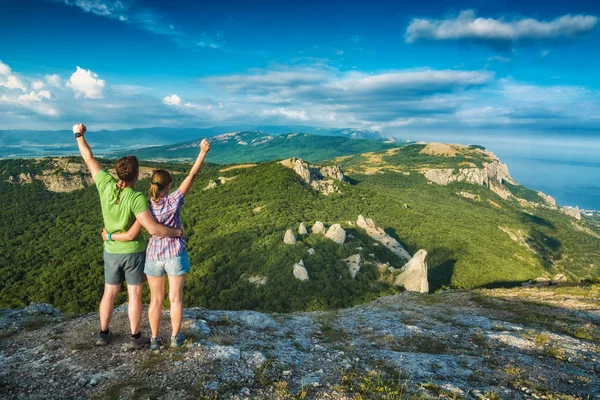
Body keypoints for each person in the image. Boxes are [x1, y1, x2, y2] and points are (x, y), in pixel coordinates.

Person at [73, 123, 184, 349]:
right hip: (133, 252)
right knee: (134, 294)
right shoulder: (136, 199)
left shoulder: (105, 184)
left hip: (111, 252)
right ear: (136, 176)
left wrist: (78, 135)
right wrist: (177, 232)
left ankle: (103, 333)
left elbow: (88, 158)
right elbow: (153, 229)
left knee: (109, 292)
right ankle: (135, 337)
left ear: (117, 172)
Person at [103, 139, 211, 350]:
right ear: (168, 186)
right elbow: (192, 175)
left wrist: (110, 237)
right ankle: (175, 336)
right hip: (175, 253)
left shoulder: (144, 205)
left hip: (153, 255)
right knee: (175, 299)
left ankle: (153, 338)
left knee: (155, 300)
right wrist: (202, 152)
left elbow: (138, 229)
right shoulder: (174, 200)